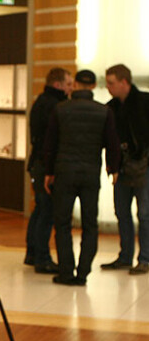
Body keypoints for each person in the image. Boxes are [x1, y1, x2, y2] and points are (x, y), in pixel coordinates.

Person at [43, 70, 120, 286]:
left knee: (63, 223)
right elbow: (112, 144)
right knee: (90, 224)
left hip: (64, 172)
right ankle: (83, 272)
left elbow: (50, 145)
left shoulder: (61, 109)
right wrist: (113, 170)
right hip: (90, 173)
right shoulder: (104, 111)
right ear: (94, 86)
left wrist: (49, 173)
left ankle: (66, 272)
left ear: (75, 84)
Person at [101, 64, 149, 274]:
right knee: (122, 212)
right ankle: (125, 256)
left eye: (111, 83)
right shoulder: (110, 108)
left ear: (124, 82)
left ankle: (145, 258)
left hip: (145, 166)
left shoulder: (145, 102)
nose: (108, 87)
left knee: (145, 214)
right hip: (121, 168)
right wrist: (113, 166)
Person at [25, 67, 72, 273]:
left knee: (40, 209)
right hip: (45, 166)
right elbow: (50, 142)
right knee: (46, 211)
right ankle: (42, 257)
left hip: (37, 163)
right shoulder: (56, 106)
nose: (72, 88)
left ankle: (33, 253)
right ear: (58, 85)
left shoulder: (41, 102)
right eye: (69, 84)